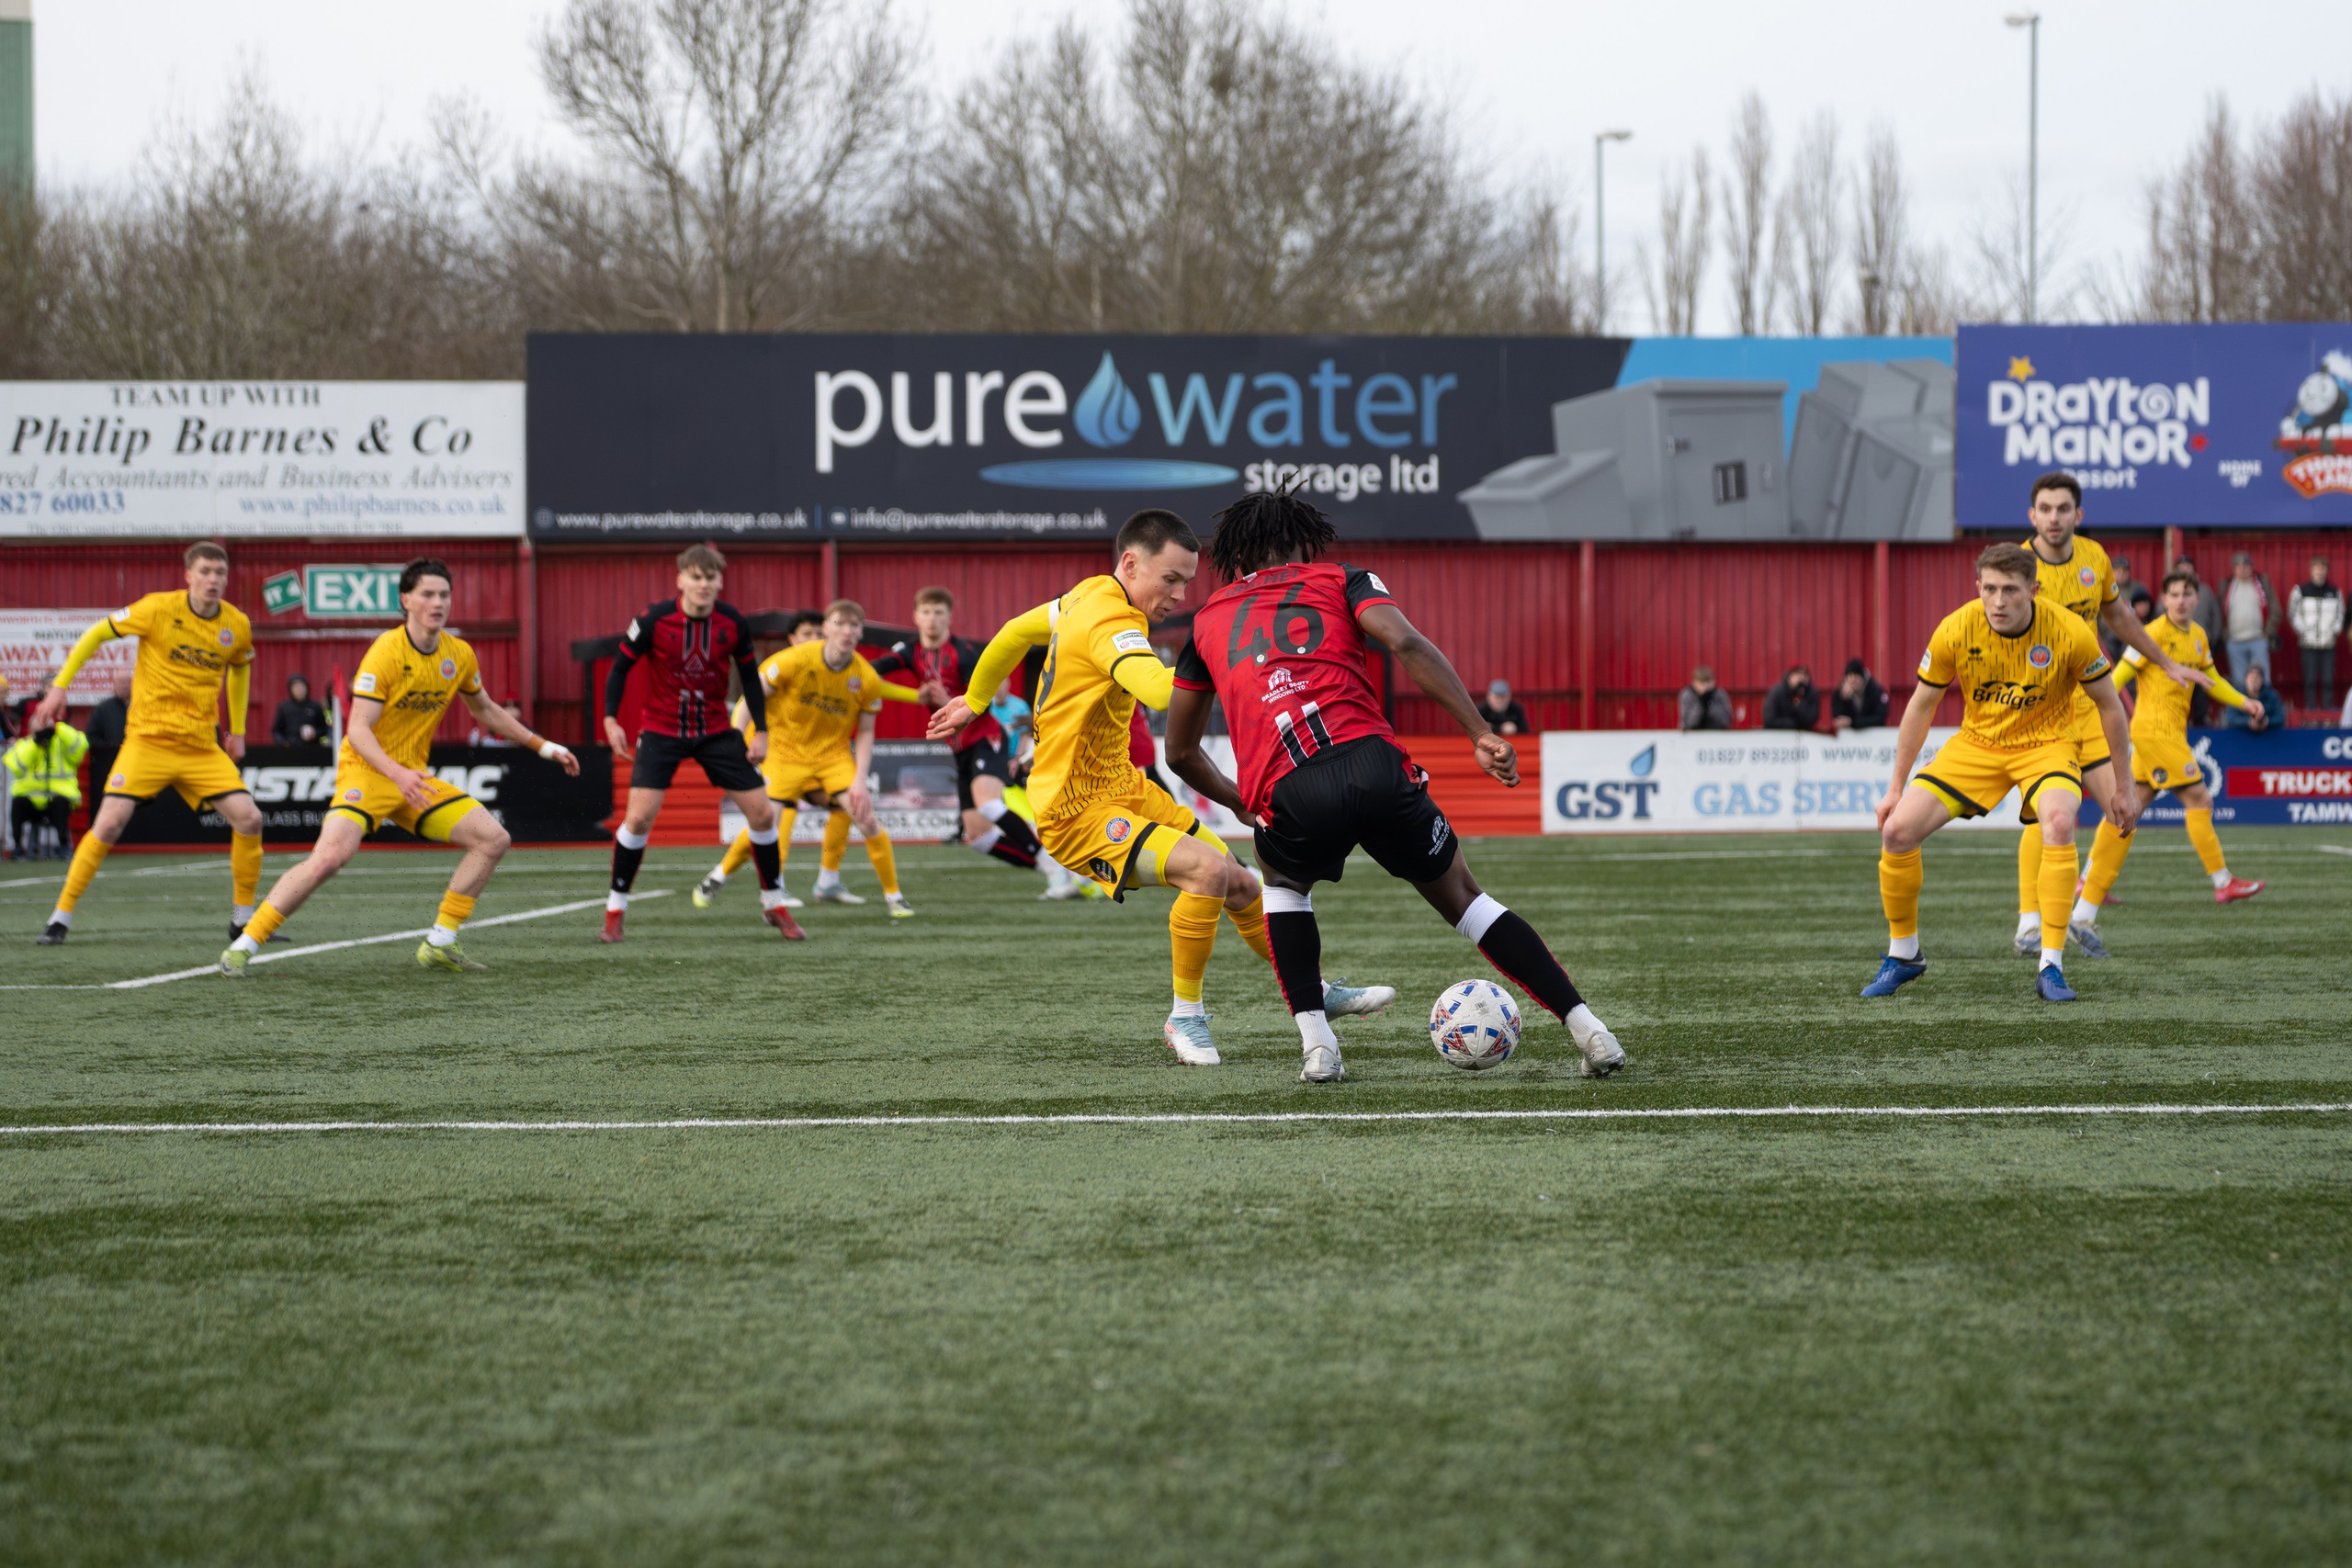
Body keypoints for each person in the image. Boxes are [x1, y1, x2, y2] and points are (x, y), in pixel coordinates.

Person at [1165, 489, 1623, 1084]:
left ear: (1237, 556)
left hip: (1289, 788)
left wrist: (1240, 801)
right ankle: (1590, 1029)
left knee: (1281, 887)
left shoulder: (1205, 621)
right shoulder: (1341, 578)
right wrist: (1479, 731)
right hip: (1375, 765)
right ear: (1304, 543)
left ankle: (1319, 1045)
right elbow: (1405, 642)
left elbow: (1179, 751)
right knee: (1466, 899)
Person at [928, 511, 1295, 1067]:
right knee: (1208, 872)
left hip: (1121, 787)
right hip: (1075, 813)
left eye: (1185, 583)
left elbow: (1011, 634)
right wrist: (1239, 662)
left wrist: (975, 700)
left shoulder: (1083, 597)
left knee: (1241, 883)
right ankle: (1185, 1018)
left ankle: (1307, 990)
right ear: (1130, 563)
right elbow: (1158, 690)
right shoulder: (1111, 621)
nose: (1178, 594)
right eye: (1169, 579)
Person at [219, 558, 580, 976]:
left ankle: (440, 941)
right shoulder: (386, 652)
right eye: (427, 594)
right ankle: (243, 946)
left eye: (444, 594)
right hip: (368, 773)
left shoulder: (458, 654)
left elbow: (487, 710)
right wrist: (398, 774)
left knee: (493, 839)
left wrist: (544, 746)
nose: (437, 602)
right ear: (406, 600)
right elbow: (357, 730)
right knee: (330, 858)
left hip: (413, 779)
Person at [1862, 542, 2133, 1005]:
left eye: (2010, 589)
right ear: (1978, 587)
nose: (1998, 601)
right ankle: (1904, 953)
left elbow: (2110, 705)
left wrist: (2124, 787)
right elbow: (1921, 706)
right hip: (1977, 744)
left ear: (2034, 588)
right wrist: (1894, 788)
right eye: (1989, 588)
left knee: (2061, 823)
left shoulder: (2069, 631)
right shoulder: (1956, 627)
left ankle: (2051, 964)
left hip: (2047, 745)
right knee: (1898, 832)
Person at [2007, 472, 2205, 960]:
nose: (2055, 518)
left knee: (2124, 811)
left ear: (2079, 514)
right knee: (2047, 814)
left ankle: (2084, 914)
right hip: (2040, 714)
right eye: (2046, 509)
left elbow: (2118, 619)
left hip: (2090, 707)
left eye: (2064, 509)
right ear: (2033, 516)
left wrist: (2165, 661)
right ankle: (2029, 924)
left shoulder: (2094, 559)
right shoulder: (2017, 564)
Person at [33, 543, 269, 946]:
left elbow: (240, 669)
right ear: (188, 576)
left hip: (200, 746)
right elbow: (96, 634)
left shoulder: (236, 624)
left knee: (250, 820)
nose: (214, 579)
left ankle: (242, 922)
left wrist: (239, 730)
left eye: (220, 573)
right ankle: (60, 917)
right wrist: (59, 688)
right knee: (107, 824)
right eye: (206, 571)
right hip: (148, 741)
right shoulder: (157, 609)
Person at [598, 544, 790, 943]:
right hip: (662, 731)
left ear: (719, 582)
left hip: (716, 730)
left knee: (763, 815)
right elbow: (619, 669)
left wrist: (763, 731)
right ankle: (615, 909)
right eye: (696, 577)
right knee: (636, 820)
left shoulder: (733, 622)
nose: (703, 584)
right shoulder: (653, 619)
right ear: (680, 580)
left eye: (710, 577)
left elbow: (752, 679)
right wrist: (611, 719)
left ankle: (774, 904)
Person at [2069, 570, 2265, 952]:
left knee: (2126, 814)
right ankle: (2223, 882)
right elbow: (2118, 675)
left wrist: (2244, 701)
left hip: (2170, 734)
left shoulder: (2198, 636)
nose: (2180, 600)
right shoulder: (2152, 634)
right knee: (2200, 800)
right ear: (2163, 599)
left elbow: (2210, 679)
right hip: (2154, 733)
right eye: (2173, 594)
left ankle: (2087, 884)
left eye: (2187, 594)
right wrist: (2096, 710)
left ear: (2197, 599)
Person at [697, 600, 922, 922]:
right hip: (784, 754)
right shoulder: (793, 660)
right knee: (767, 823)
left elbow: (867, 732)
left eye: (854, 625)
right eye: (840, 624)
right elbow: (751, 697)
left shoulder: (864, 676)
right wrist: (735, 739)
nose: (847, 631)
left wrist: (860, 778)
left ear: (861, 631)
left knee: (865, 816)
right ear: (826, 629)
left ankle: (893, 897)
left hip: (831, 758)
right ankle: (723, 878)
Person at [866, 584, 1076, 897]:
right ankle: (1054, 871)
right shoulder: (910, 652)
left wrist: (948, 698)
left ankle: (1056, 866)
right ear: (916, 617)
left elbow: (984, 702)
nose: (932, 619)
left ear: (950, 617)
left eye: (939, 613)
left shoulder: (963, 653)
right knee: (978, 836)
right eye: (926, 612)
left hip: (986, 737)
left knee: (989, 804)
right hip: (959, 748)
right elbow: (872, 672)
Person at [6, 703, 86, 859]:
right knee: (18, 803)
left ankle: (64, 846)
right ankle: (17, 848)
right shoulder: (25, 745)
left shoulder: (61, 743)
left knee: (60, 803)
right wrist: (35, 743)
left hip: (56, 799)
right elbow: (16, 766)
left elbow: (81, 744)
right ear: (31, 730)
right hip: (32, 802)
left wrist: (59, 729)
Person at [2287, 557, 2343, 716]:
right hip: (2308, 644)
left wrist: (2334, 632)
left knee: (2327, 680)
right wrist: (2303, 631)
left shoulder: (2334, 591)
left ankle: (2327, 712)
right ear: (2311, 570)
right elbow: (2293, 613)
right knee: (2310, 680)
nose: (2319, 571)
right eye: (2317, 568)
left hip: (2328, 644)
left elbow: (2340, 614)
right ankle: (2310, 712)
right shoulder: (2301, 590)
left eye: (2322, 568)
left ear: (2326, 571)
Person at [2222, 550, 2278, 687]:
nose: (2242, 569)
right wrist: (2225, 635)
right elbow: (2219, 612)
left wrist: (2268, 632)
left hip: (2258, 640)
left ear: (2251, 568)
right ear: (2233, 569)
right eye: (2238, 566)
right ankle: (2243, 709)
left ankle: (2263, 708)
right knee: (2239, 682)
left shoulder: (2262, 584)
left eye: (2245, 566)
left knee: (2262, 680)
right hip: (2235, 642)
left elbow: (2276, 611)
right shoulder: (2227, 586)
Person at [271, 673, 329, 748]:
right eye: (296, 687)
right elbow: (276, 730)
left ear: (306, 688)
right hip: (290, 749)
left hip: (311, 749)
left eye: (301, 687)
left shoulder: (315, 706)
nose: (299, 690)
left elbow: (324, 729)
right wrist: (283, 742)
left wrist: (315, 733)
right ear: (290, 689)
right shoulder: (284, 707)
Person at [1830, 659, 1888, 730]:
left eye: (1856, 676)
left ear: (1862, 677)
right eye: (1850, 676)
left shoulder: (1877, 691)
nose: (1853, 680)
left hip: (1874, 735)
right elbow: (1837, 717)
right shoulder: (1839, 693)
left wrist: (1853, 722)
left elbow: (1880, 717)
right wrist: (1844, 701)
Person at [2228, 664, 2287, 730]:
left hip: (2268, 736)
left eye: (2257, 677)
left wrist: (2267, 721)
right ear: (2245, 679)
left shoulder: (2271, 695)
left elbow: (2280, 718)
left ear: (2262, 680)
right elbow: (2231, 719)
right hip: (2241, 736)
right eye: (2251, 676)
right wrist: (2248, 722)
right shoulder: (2237, 695)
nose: (2254, 680)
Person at [1760, 665, 1819, 730]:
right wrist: (1793, 724)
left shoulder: (1811, 694)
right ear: (1790, 676)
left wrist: (1800, 706)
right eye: (1798, 675)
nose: (1801, 679)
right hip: (1778, 734)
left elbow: (1811, 719)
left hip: (1802, 735)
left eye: (1804, 675)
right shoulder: (1776, 693)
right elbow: (1769, 720)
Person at [85, 671, 133, 747]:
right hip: (113, 756)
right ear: (114, 685)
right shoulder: (103, 708)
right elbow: (92, 735)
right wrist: (109, 748)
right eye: (120, 682)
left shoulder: (140, 706)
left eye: (127, 682)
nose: (124, 686)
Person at [1678, 666, 1732, 730]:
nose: (1706, 686)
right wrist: (1700, 702)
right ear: (1695, 682)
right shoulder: (1687, 695)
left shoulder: (1720, 694)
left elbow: (1726, 722)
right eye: (1702, 683)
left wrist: (1711, 704)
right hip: (1692, 736)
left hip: (1716, 735)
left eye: (1708, 682)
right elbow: (1688, 723)